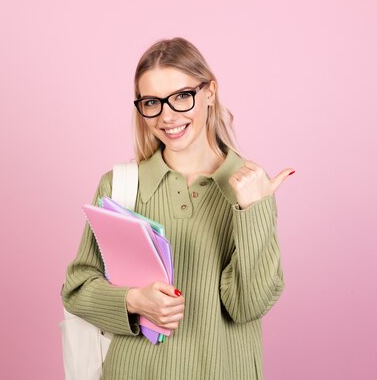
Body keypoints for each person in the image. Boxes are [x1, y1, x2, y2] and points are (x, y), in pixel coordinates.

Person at [61, 37, 293, 380]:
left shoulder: (250, 187)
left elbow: (248, 306)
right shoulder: (121, 185)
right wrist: (134, 300)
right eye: (152, 102)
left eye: (182, 96)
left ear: (209, 93)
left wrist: (253, 210)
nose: (167, 116)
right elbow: (77, 288)